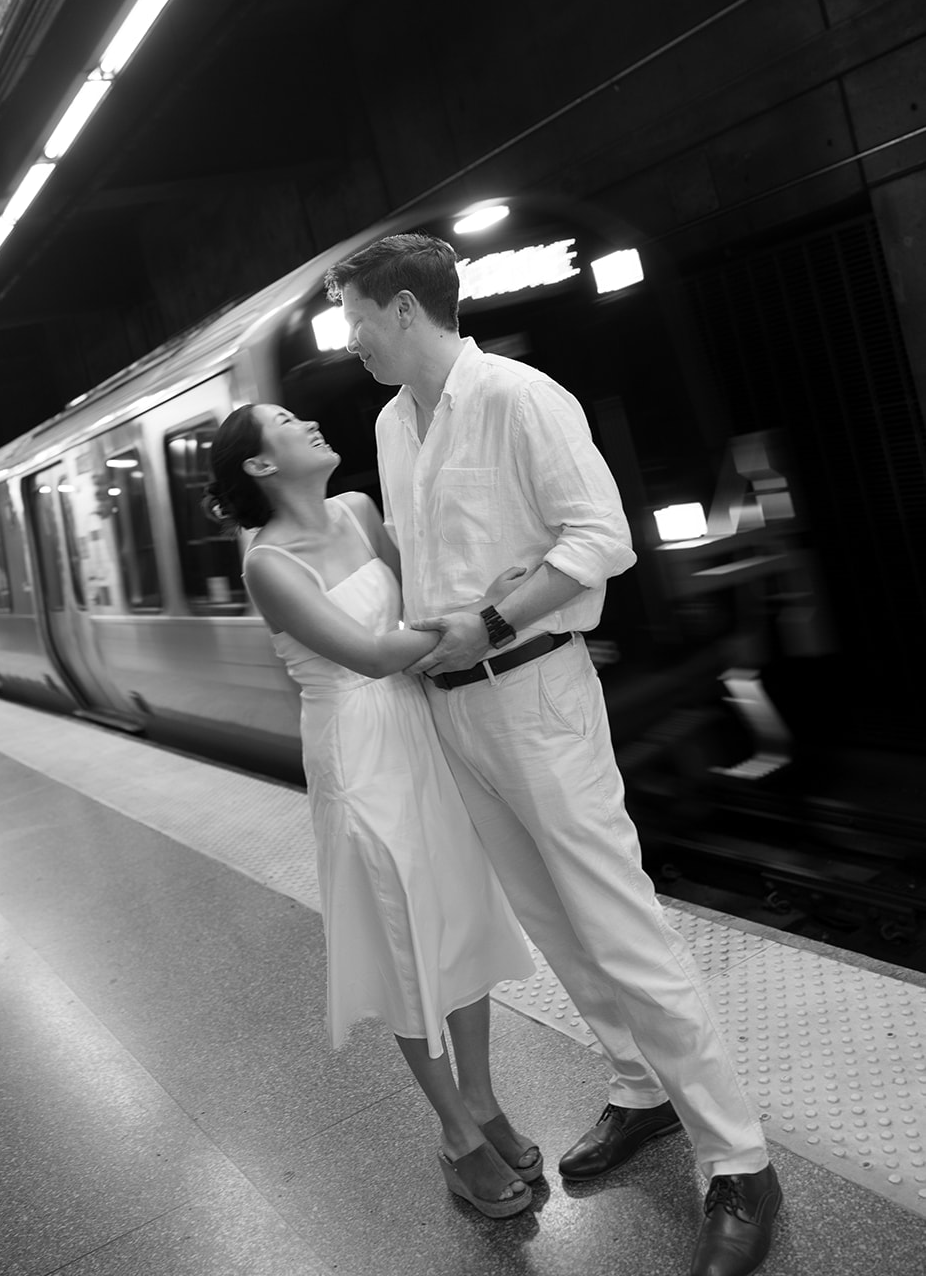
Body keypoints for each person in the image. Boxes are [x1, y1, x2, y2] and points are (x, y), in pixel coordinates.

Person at [325, 233, 782, 1276]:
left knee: (617, 919)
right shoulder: (396, 424)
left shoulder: (521, 397)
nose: (350, 340)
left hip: (532, 688)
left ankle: (739, 1161)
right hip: (452, 709)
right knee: (548, 918)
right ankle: (638, 1087)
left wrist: (485, 622)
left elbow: (598, 537)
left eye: (356, 316)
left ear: (404, 310)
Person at [204, 403, 541, 1219]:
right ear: (258, 465)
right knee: (403, 937)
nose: (310, 421)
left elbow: (418, 597)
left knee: (456, 915)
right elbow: (368, 651)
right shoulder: (268, 564)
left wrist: (474, 600)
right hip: (358, 751)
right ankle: (458, 1137)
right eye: (288, 421)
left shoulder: (357, 510)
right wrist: (479, 620)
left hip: (417, 733)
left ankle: (485, 1099)